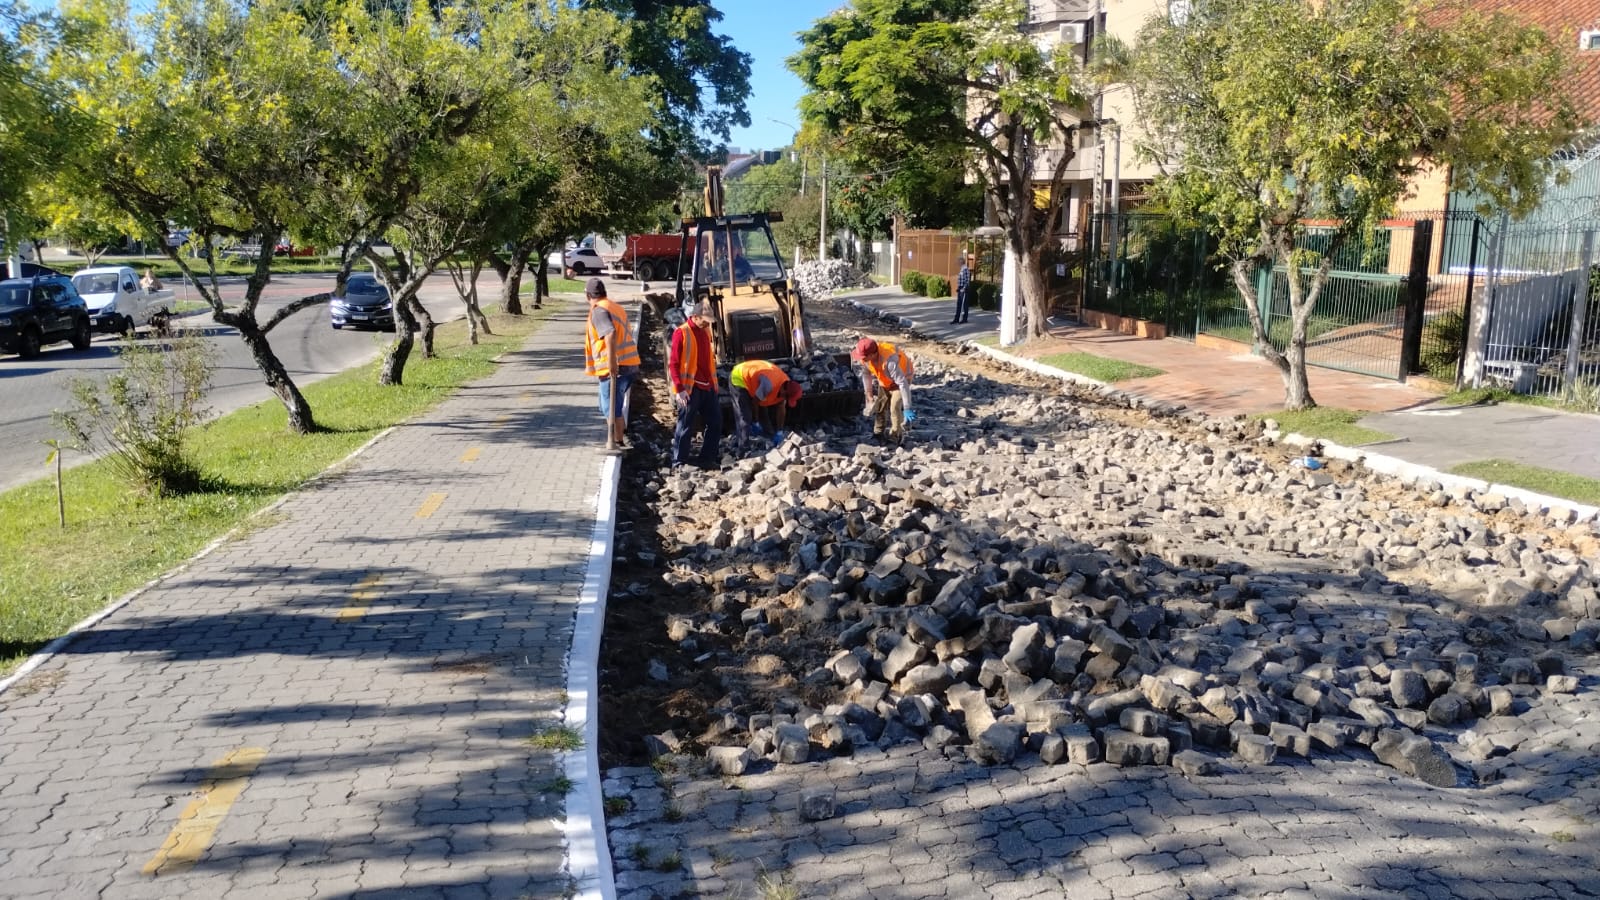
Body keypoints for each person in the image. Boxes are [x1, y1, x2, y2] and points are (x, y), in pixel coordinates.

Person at [583, 277, 640, 452]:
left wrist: (611, 362)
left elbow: (610, 333)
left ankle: (616, 442)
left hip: (616, 367)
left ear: (588, 295)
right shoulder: (615, 307)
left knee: (611, 407)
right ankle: (618, 438)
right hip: (629, 364)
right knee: (608, 405)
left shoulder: (599, 311)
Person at [668, 300, 723, 468]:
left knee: (715, 422)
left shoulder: (705, 331)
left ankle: (707, 458)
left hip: (707, 387)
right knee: (685, 425)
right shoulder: (681, 333)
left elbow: (708, 361)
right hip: (689, 389)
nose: (707, 323)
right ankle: (679, 462)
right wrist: (679, 389)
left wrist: (714, 384)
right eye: (705, 319)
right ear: (695, 316)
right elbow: (674, 364)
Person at [851, 337, 915, 444]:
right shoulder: (867, 360)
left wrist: (907, 408)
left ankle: (895, 436)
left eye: (863, 357)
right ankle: (878, 433)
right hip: (885, 380)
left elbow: (902, 383)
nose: (861, 360)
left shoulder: (889, 362)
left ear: (872, 355)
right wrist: (869, 394)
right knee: (881, 406)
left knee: (894, 408)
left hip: (902, 379)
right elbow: (866, 374)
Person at [730, 358, 803, 450]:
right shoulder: (768, 386)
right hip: (740, 377)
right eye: (787, 397)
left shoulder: (786, 384)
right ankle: (743, 449)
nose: (785, 399)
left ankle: (768, 440)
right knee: (744, 417)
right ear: (784, 391)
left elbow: (781, 408)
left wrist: (779, 431)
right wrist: (755, 421)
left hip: (758, 379)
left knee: (765, 417)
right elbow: (755, 403)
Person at [951, 254, 974, 324]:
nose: (957, 262)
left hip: (964, 288)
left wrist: (964, 288)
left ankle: (964, 319)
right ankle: (956, 319)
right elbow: (961, 279)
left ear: (962, 261)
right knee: (959, 304)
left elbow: (967, 280)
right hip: (960, 288)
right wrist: (959, 288)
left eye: (958, 261)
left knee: (964, 304)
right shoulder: (962, 269)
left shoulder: (965, 269)